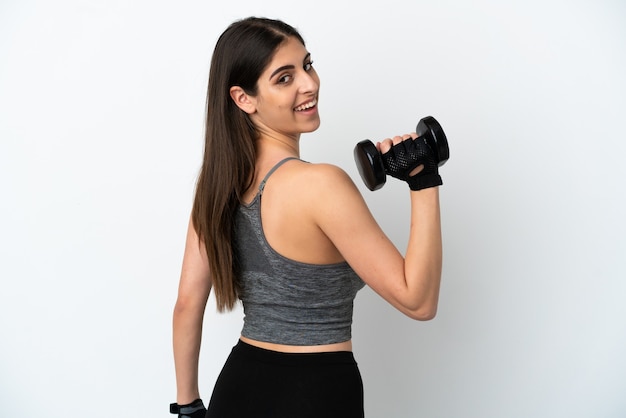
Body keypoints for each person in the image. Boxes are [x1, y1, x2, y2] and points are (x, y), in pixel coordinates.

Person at [171, 16, 443, 418]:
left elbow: (187, 303)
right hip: (316, 394)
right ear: (244, 98)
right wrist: (424, 180)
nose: (309, 83)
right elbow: (418, 301)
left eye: (307, 64)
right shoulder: (322, 185)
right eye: (284, 78)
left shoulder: (215, 188)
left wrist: (188, 406)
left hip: (238, 387)